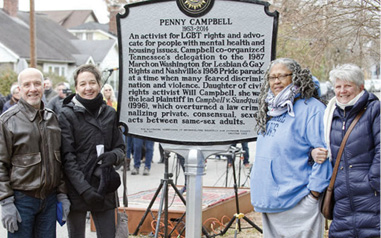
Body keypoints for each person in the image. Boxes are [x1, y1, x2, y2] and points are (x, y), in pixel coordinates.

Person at [250, 58, 332, 238]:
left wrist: (313, 195)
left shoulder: (312, 108)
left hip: (299, 201)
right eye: (272, 77)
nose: (276, 81)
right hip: (270, 201)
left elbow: (325, 154)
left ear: (296, 77)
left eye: (282, 76)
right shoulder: (270, 108)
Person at [0, 68, 70, 237]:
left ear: (43, 86)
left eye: (37, 83)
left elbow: (58, 160)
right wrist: (6, 202)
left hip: (50, 199)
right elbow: (1, 164)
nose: (33, 88)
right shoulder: (7, 121)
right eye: (27, 84)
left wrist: (62, 194)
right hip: (21, 200)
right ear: (20, 88)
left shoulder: (52, 118)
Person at [59, 64, 125, 238]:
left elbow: (121, 148)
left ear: (99, 84)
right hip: (77, 188)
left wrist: (114, 156)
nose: (88, 88)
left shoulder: (110, 113)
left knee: (108, 235)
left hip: (104, 185)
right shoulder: (66, 115)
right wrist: (84, 190)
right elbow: (67, 157)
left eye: (92, 82)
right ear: (76, 87)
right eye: (82, 84)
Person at [315, 64, 380, 237]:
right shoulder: (330, 114)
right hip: (341, 195)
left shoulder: (374, 109)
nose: (342, 91)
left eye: (348, 85)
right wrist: (313, 153)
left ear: (360, 87)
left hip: (371, 195)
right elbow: (316, 145)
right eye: (338, 86)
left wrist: (373, 181)